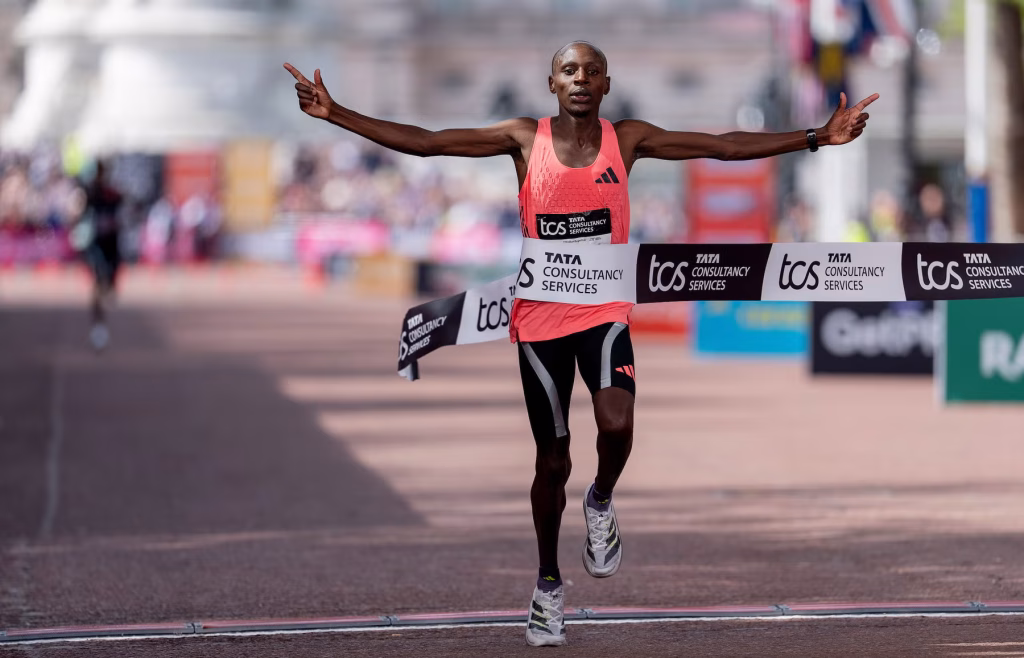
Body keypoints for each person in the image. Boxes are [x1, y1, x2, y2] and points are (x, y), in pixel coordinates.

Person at [285, 41, 877, 647]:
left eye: (592, 72)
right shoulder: (523, 140)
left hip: (604, 311)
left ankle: (600, 501)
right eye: (570, 71)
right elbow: (430, 141)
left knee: (616, 422)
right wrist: (337, 114)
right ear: (552, 83)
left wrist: (815, 137)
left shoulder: (629, 140)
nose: (581, 80)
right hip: (540, 322)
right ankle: (547, 585)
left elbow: (722, 146)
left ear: (607, 84)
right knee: (552, 459)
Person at [78, 160, 123, 351]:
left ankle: (109, 290)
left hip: (111, 245)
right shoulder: (90, 193)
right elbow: (81, 213)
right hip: (96, 245)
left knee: (108, 284)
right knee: (97, 285)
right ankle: (98, 328)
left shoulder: (114, 194)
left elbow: (123, 211)